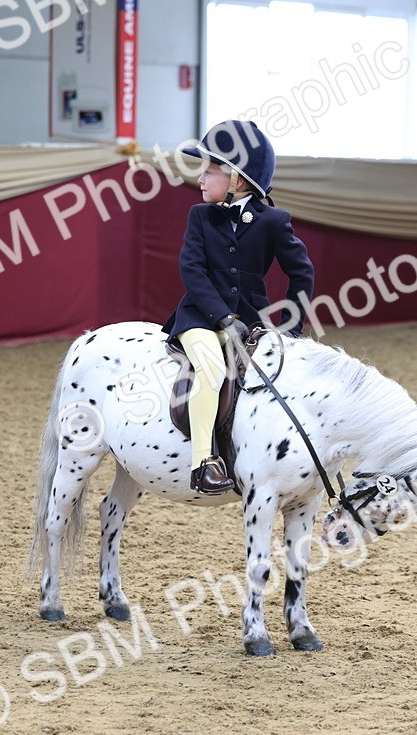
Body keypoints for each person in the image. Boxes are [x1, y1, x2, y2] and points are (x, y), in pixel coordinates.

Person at [162, 120, 315, 494]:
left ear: (238, 180)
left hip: (252, 321)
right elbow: (192, 271)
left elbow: (302, 275)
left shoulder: (273, 221)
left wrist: (290, 331)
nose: (200, 178)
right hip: (201, 316)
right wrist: (223, 318)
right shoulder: (199, 216)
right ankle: (204, 464)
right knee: (212, 368)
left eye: (210, 169)